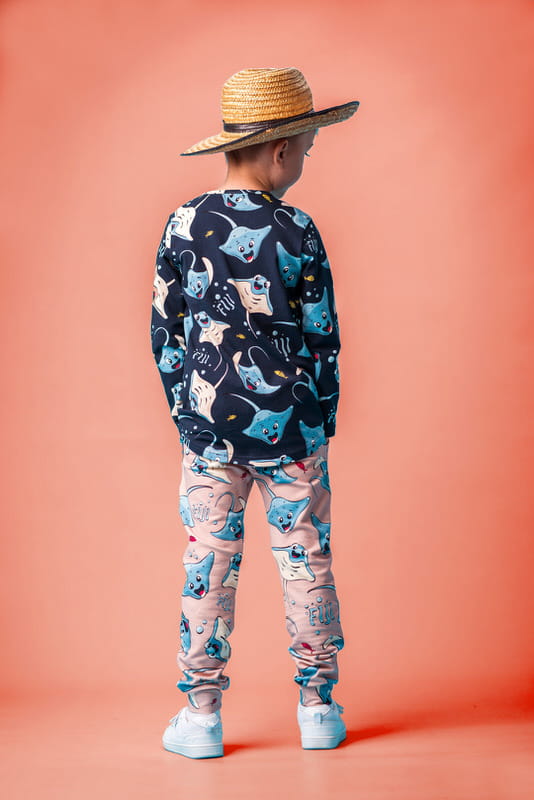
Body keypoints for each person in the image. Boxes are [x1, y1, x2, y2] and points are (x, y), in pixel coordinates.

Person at [150, 67, 359, 759]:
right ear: (280, 149)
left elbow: (165, 333)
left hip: (210, 429)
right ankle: (318, 708)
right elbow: (323, 336)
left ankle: (202, 716)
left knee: (207, 565)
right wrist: (321, 417)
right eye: (306, 150)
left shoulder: (184, 224)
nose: (303, 162)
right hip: (294, 427)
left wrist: (187, 415)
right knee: (305, 560)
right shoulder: (297, 228)